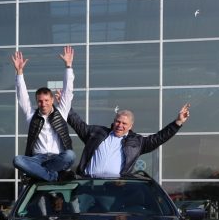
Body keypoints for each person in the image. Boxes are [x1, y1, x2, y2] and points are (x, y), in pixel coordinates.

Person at [67, 104, 191, 178]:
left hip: (112, 189)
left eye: (124, 123)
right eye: (118, 121)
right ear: (114, 121)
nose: (120, 125)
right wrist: (65, 105)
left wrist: (178, 122)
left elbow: (159, 138)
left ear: (131, 126)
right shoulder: (96, 133)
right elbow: (77, 123)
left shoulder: (137, 143)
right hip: (88, 184)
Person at [11, 46, 76, 182]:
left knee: (70, 155)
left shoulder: (62, 112)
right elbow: (22, 97)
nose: (43, 103)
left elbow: (68, 91)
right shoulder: (31, 116)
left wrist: (68, 66)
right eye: (40, 101)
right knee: (18, 160)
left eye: (46, 100)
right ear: (37, 102)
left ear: (52, 100)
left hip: (57, 158)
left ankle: (42, 174)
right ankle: (52, 176)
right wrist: (19, 72)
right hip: (37, 159)